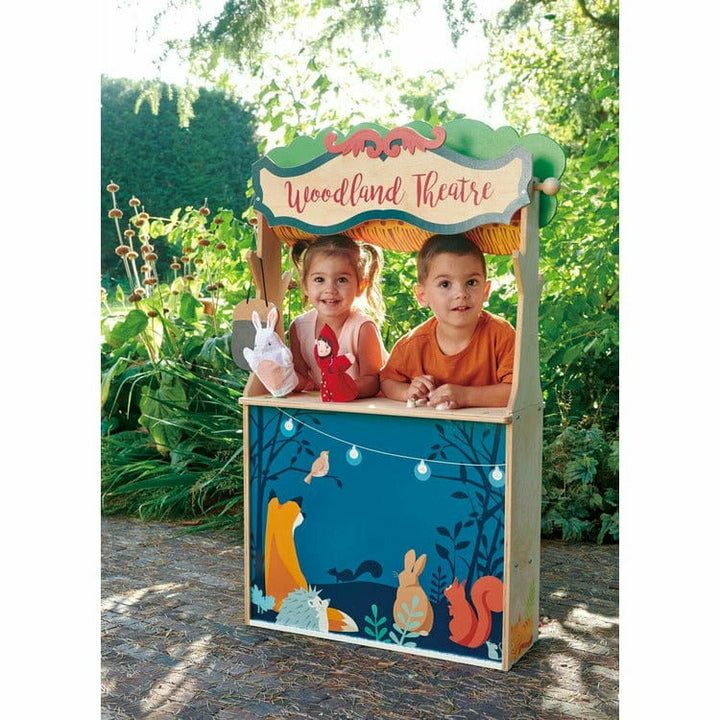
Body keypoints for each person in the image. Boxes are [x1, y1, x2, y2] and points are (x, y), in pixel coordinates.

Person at [380, 233, 515, 409]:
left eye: (471, 282)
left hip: (490, 426)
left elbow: (517, 392)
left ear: (485, 290)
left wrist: (465, 396)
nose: (461, 293)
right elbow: (387, 382)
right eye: (445, 284)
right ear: (422, 295)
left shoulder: (502, 335)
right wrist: (408, 391)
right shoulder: (412, 345)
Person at [288, 234, 388, 398]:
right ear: (305, 285)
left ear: (360, 286)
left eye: (341, 280)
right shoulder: (299, 328)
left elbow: (373, 381)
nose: (330, 289)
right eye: (319, 279)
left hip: (362, 405)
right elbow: (301, 377)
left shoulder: (363, 328)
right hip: (325, 405)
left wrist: (345, 389)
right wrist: (280, 377)